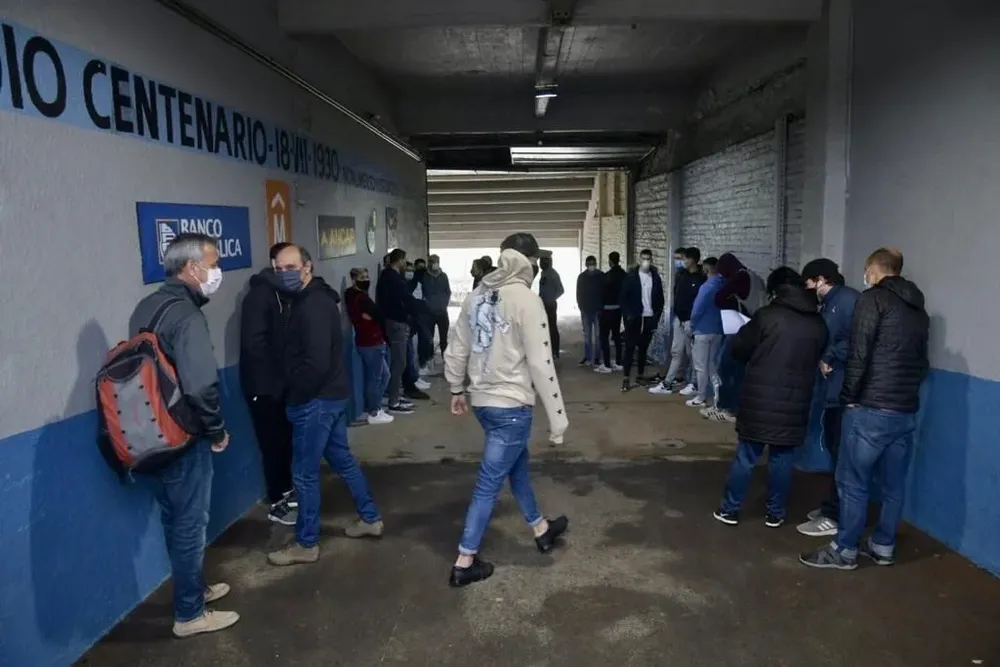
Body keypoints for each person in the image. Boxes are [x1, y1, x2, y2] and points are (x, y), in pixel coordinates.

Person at [444, 233, 569, 587]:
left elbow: (457, 346)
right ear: (529, 262)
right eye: (535, 261)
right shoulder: (527, 300)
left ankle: (541, 529)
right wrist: (558, 419)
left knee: (518, 468)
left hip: (484, 403)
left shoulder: (477, 294)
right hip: (511, 405)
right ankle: (465, 560)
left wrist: (456, 387)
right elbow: (541, 363)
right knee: (489, 484)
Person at [128, 233, 238, 637]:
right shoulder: (187, 316)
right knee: (191, 523)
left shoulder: (147, 306)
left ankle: (195, 590)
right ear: (192, 268)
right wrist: (217, 430)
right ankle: (189, 614)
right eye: (214, 263)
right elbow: (201, 386)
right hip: (183, 436)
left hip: (152, 433)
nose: (217, 271)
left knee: (175, 520)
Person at [801, 248, 929, 571]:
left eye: (866, 269)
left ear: (874, 268)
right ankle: (883, 545)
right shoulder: (918, 309)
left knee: (852, 482)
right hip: (904, 410)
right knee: (893, 486)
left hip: (870, 408)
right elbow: (922, 364)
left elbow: (859, 354)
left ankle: (844, 550)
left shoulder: (872, 300)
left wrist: (849, 397)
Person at [267, 245, 384, 567]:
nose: (284, 274)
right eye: (278, 269)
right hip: (328, 397)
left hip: (316, 400)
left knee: (304, 474)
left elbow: (316, 363)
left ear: (307, 267)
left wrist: (297, 395)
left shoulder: (312, 305)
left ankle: (306, 544)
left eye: (290, 267)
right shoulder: (310, 299)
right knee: (343, 461)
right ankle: (370, 518)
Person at [713, 267, 827, 527]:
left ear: (776, 291)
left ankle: (730, 509)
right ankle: (776, 513)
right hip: (795, 403)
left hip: (759, 400)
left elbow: (739, 349)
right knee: (782, 459)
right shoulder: (817, 323)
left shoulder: (766, 316)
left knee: (746, 457)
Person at [796, 258, 860, 538]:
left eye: (809, 283)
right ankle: (832, 507)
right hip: (833, 390)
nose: (808, 289)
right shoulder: (832, 303)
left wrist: (830, 357)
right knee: (837, 453)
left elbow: (855, 339)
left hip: (843, 392)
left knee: (843, 455)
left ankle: (836, 515)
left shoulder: (847, 302)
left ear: (821, 280)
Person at [239, 242, 297, 526]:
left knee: (284, 443)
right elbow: (255, 345)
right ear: (275, 267)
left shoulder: (282, 295)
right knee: (273, 445)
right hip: (263, 388)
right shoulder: (260, 297)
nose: (292, 273)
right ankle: (277, 502)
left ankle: (288, 494)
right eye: (286, 267)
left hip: (279, 386)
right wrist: (275, 382)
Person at [651, 246, 705, 395]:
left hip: (691, 321)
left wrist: (691, 320)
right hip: (679, 319)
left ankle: (694, 383)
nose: (682, 262)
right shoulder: (681, 275)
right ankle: (667, 383)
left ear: (692, 260)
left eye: (684, 259)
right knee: (676, 352)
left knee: (692, 354)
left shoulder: (701, 279)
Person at [345, 267, 394, 426]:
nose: (366, 280)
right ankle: (374, 411)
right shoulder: (361, 298)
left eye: (367, 276)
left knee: (385, 375)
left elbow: (374, 315)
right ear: (353, 280)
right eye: (361, 277)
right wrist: (370, 316)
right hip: (372, 343)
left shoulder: (353, 295)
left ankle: (375, 406)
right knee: (376, 378)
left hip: (370, 341)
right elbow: (379, 315)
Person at [376, 248, 420, 414]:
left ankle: (394, 395)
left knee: (397, 362)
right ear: (400, 260)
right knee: (399, 363)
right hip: (397, 323)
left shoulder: (385, 277)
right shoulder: (394, 279)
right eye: (404, 261)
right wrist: (414, 313)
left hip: (390, 321)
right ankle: (393, 402)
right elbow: (406, 300)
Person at [619, 248, 664, 392]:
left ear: (651, 260)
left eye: (648, 259)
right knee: (630, 347)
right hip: (634, 317)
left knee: (643, 348)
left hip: (649, 317)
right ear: (639, 260)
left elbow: (660, 299)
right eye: (643, 258)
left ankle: (640, 375)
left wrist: (656, 316)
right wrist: (628, 315)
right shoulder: (631, 277)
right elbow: (623, 297)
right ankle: (626, 377)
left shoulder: (655, 277)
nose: (646, 261)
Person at [687, 257, 724, 407]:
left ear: (706, 269)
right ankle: (718, 393)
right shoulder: (723, 285)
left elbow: (697, 309)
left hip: (702, 331)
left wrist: (691, 326)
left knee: (700, 366)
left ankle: (701, 397)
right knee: (711, 365)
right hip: (718, 330)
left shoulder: (706, 287)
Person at [596, 251, 626, 374]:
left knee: (604, 337)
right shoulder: (624, 275)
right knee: (616, 336)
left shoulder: (607, 276)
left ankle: (607, 365)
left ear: (610, 261)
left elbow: (601, 294)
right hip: (618, 310)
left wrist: (600, 307)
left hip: (606, 310)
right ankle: (618, 363)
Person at [421, 253, 452, 367]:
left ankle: (445, 358)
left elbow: (448, 291)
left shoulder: (443, 276)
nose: (434, 263)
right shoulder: (425, 276)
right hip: (429, 313)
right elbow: (422, 292)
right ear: (429, 263)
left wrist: (444, 304)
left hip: (442, 312)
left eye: (436, 261)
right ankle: (429, 358)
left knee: (444, 338)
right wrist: (428, 305)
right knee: (429, 337)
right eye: (432, 261)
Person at [576, 255, 604, 366]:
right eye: (590, 264)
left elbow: (604, 292)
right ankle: (588, 357)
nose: (591, 266)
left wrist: (602, 307)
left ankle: (597, 358)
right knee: (587, 336)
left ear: (596, 264)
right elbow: (579, 293)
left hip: (598, 311)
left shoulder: (601, 276)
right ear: (586, 265)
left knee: (598, 336)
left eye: (593, 264)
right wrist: (581, 306)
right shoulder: (582, 277)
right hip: (586, 310)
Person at [538, 254, 564, 359]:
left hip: (550, 305)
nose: (541, 264)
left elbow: (561, 290)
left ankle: (555, 351)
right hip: (543, 304)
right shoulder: (543, 273)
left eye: (543, 262)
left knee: (552, 328)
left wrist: (552, 298)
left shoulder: (553, 274)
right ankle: (547, 349)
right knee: (544, 327)